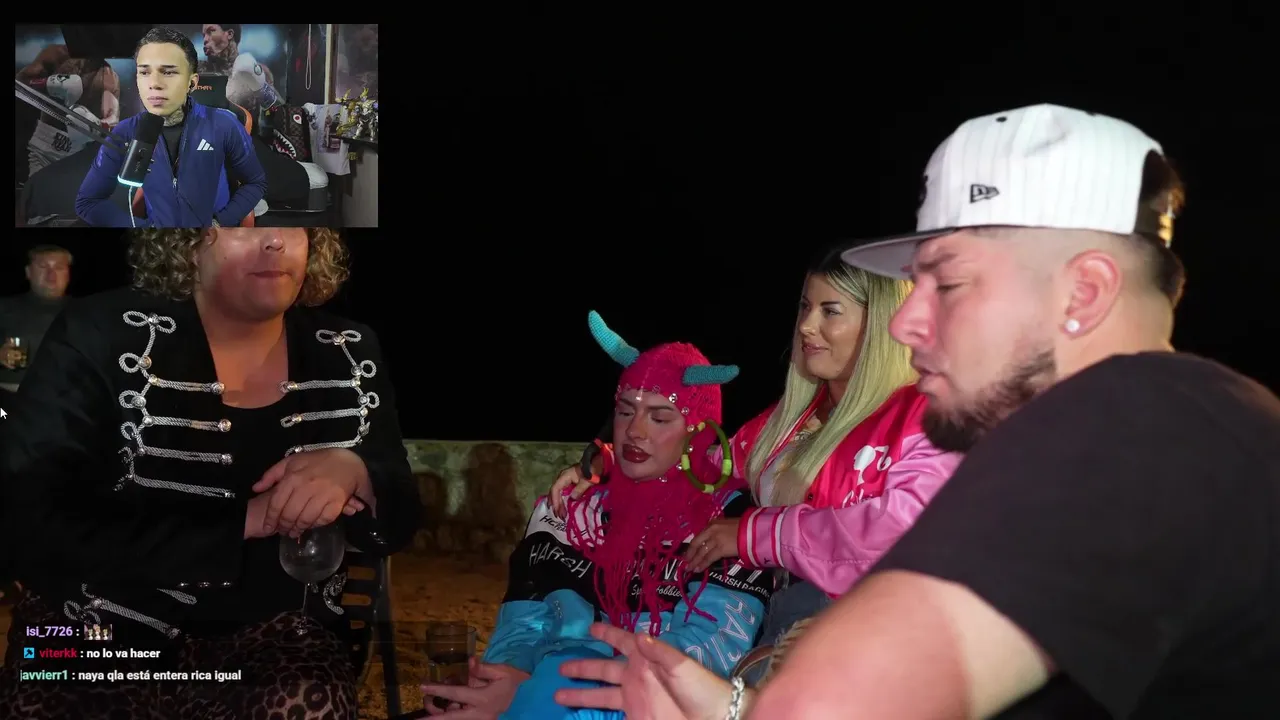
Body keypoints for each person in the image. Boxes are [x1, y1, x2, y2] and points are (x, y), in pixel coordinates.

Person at [554, 103, 1280, 719]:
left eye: (948, 283)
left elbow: (825, 703)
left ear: (1083, 293)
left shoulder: (1141, 437)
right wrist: (730, 706)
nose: (904, 323)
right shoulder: (1175, 431)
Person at [0, 228, 421, 719]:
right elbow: (30, 518)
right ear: (186, 238)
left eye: (292, 221)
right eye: (241, 224)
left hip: (276, 638)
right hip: (91, 629)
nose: (274, 241)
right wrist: (248, 520)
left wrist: (357, 471)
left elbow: (399, 515)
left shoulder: (347, 349)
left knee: (307, 700)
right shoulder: (99, 332)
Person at [547, 253, 961, 681]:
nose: (806, 326)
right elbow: (700, 468)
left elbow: (899, 532)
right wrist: (606, 464)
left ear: (882, 322)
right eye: (805, 307)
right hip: (779, 636)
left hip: (877, 649)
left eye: (830, 311)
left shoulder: (926, 416)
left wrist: (755, 534)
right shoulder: (786, 422)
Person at [421, 311, 772, 719]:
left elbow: (713, 646)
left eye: (660, 417)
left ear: (699, 432)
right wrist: (507, 677)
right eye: (625, 411)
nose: (635, 431)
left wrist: (550, 688)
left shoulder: (731, 521)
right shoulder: (571, 504)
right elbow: (524, 619)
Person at [76, 26, 267, 228]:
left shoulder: (224, 124)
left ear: (191, 83)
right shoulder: (125, 132)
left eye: (168, 72)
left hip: (212, 236)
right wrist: (144, 230)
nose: (154, 83)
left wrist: (221, 222)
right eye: (144, 72)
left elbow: (255, 183)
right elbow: (87, 202)